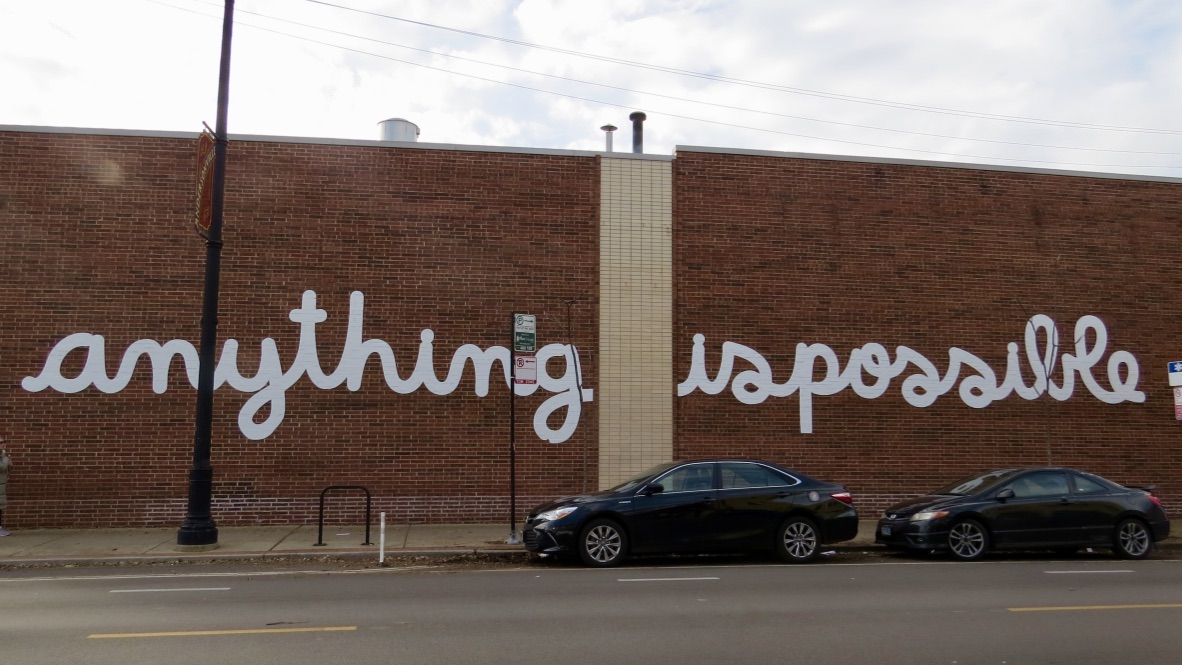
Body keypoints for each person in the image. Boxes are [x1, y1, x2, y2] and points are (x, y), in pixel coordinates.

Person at [0, 437, 10, 536]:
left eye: (4, 442)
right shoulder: (3, 456)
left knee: (0, 506)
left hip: (1, 484)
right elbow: (2, 467)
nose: (3, 444)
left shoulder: (2, 455)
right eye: (1, 442)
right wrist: (6, 458)